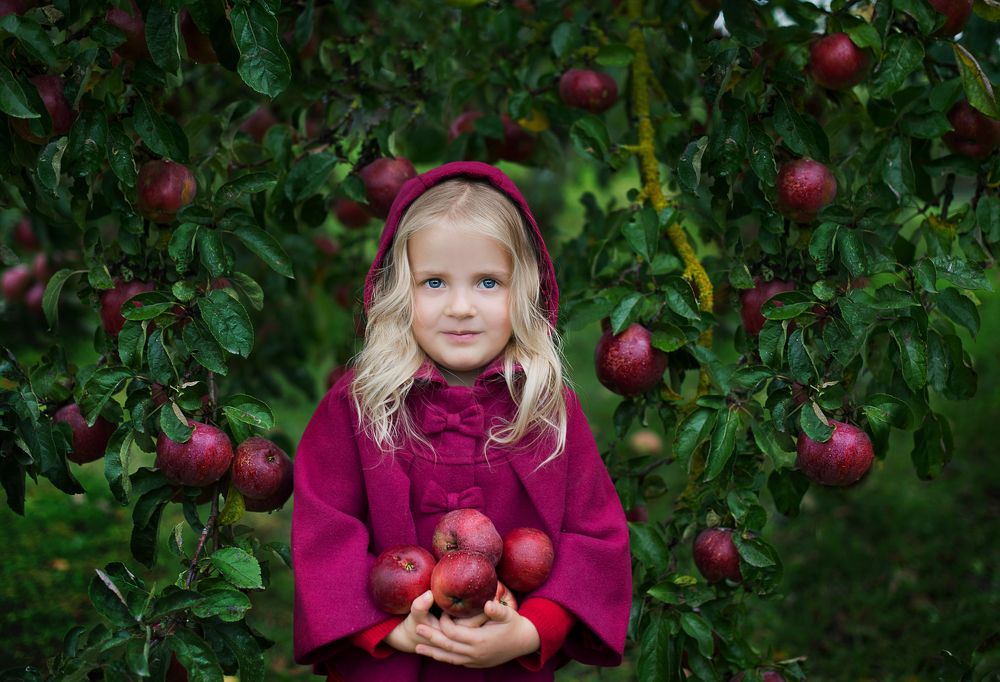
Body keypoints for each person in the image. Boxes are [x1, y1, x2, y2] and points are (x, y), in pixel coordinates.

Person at [292, 161, 631, 682]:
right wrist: (384, 628)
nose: (461, 307)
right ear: (397, 289)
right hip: (388, 664)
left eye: (488, 282)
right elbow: (324, 530)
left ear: (526, 290)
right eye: (433, 282)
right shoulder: (361, 405)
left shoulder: (545, 407)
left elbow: (595, 536)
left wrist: (533, 629)